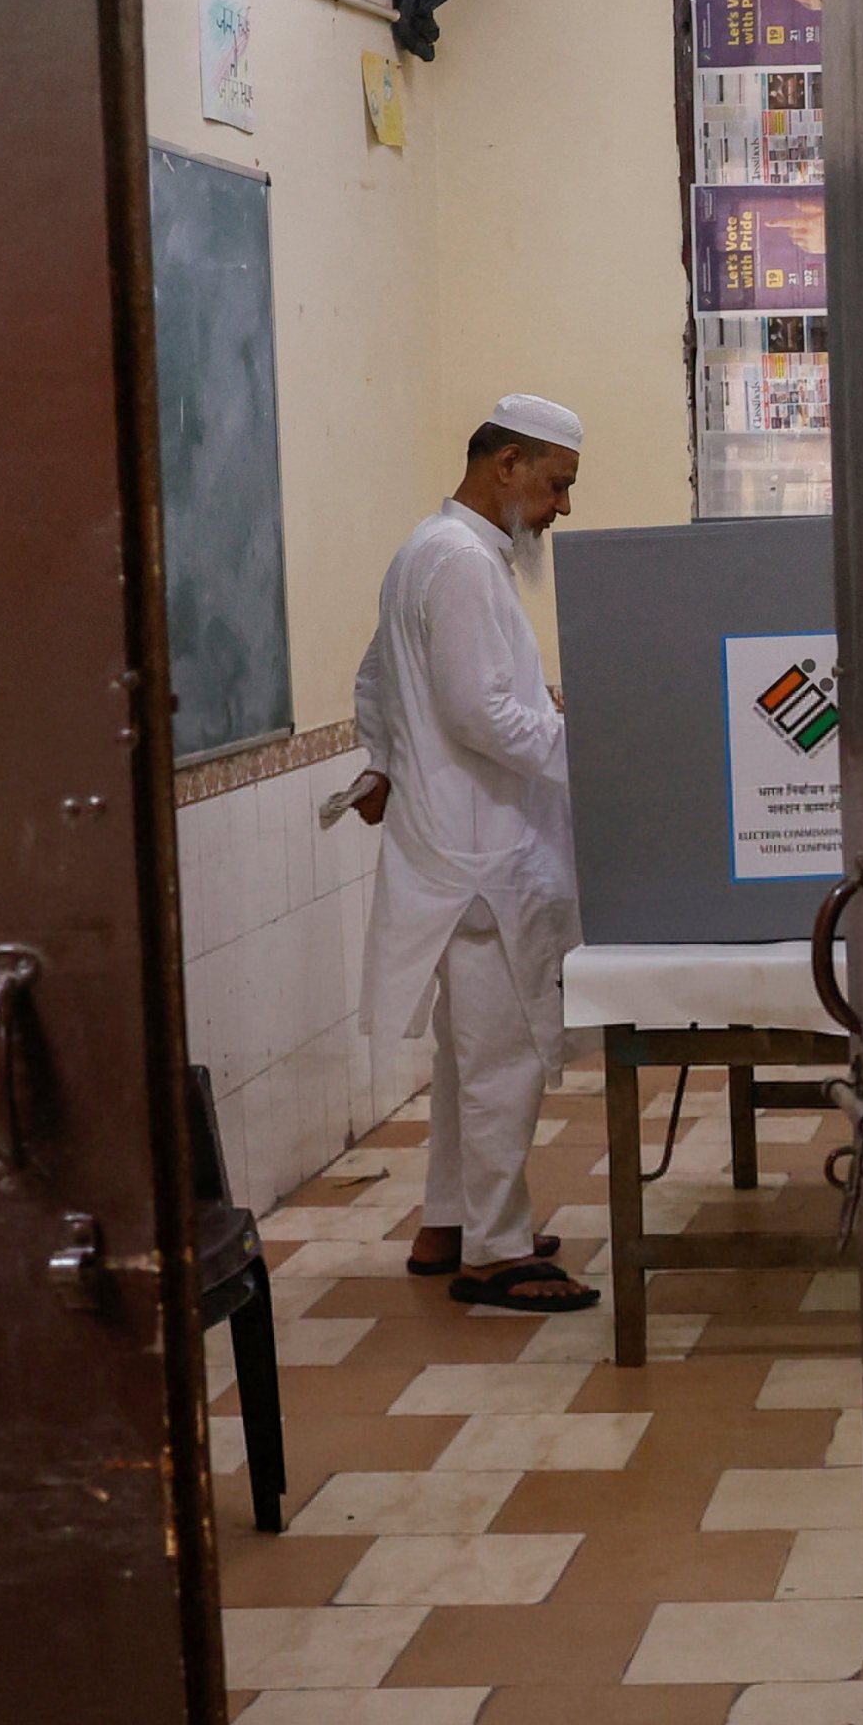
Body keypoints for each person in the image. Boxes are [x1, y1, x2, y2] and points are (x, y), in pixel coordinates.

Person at [340, 395, 596, 1312]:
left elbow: (377, 678)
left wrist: (381, 764)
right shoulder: (459, 564)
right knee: (504, 1058)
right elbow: (482, 713)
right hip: (484, 861)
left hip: (452, 848)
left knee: (465, 1059)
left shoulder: (430, 551)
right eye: (557, 484)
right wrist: (595, 757)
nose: (562, 507)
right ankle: (495, 1250)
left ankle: (447, 1222)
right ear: (508, 464)